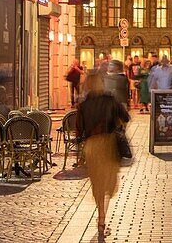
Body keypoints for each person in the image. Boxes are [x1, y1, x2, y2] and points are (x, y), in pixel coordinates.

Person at [77, 72, 129, 241]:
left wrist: (80, 154)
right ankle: (102, 221)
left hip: (91, 147)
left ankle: (101, 220)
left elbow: (79, 131)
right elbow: (125, 117)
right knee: (108, 185)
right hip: (109, 145)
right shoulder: (110, 100)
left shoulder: (83, 105)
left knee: (98, 184)